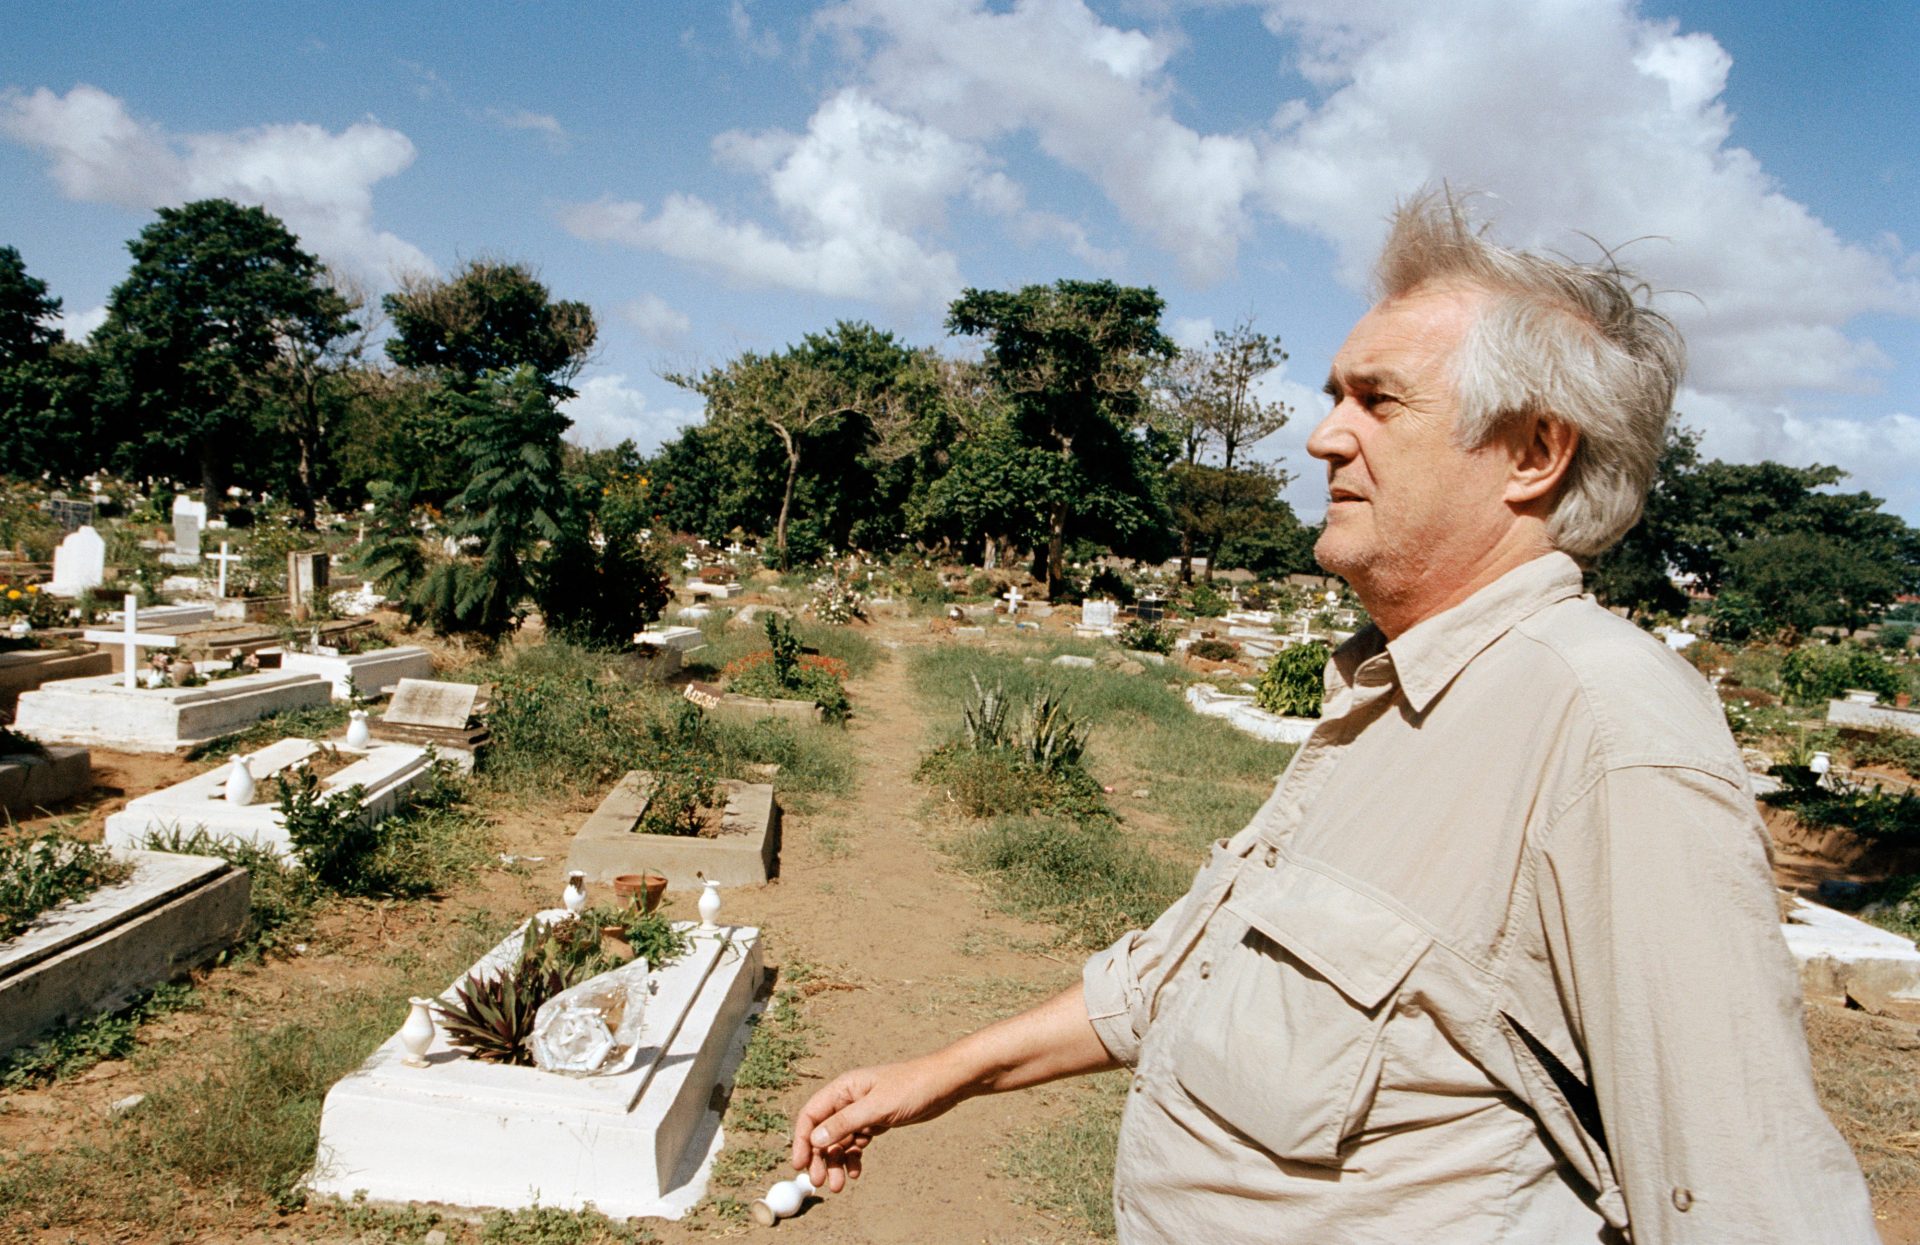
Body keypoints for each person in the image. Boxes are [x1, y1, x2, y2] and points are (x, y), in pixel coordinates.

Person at [789, 191, 1877, 1243]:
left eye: (1378, 400)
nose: (1321, 437)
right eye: (1333, 394)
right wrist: (940, 1077)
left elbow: (1743, 1190)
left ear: (1536, 454)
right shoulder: (1392, 694)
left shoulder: (1604, 731)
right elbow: (1179, 976)